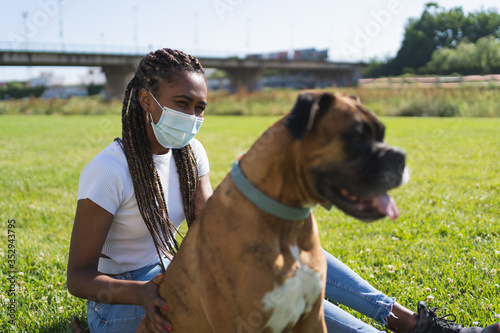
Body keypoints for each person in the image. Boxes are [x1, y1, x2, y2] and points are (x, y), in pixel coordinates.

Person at [67, 48, 499, 333]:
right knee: (284, 300)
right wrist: (140, 292)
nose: (193, 116)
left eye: (200, 107)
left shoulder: (189, 151)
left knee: (299, 261)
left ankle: (407, 321)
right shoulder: (108, 170)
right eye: (182, 104)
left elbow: (212, 225)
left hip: (177, 270)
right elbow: (79, 277)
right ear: (147, 101)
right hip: (122, 299)